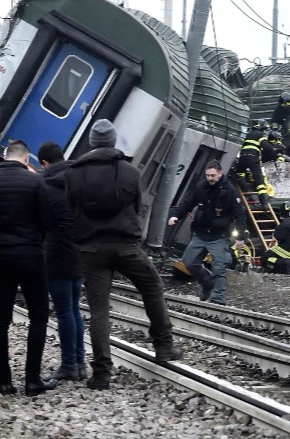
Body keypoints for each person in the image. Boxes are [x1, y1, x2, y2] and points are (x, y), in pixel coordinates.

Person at [68, 120, 182, 391]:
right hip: (126, 246)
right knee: (152, 288)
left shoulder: (73, 174)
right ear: (113, 141)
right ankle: (164, 347)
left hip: (91, 249)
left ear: (93, 142)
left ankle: (101, 375)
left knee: (98, 310)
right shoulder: (130, 172)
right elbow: (136, 206)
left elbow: (71, 209)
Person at [0, 139, 56, 396]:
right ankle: (32, 380)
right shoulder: (36, 182)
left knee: (1, 318)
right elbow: (48, 220)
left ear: (5, 156)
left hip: (0, 255)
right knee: (38, 316)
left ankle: (4, 381)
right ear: (26, 158)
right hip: (31, 254)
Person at [37, 141, 86, 382]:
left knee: (64, 310)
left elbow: (41, 222)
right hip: (79, 249)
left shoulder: (46, 186)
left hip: (56, 251)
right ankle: (80, 364)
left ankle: (69, 364)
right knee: (74, 309)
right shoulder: (79, 179)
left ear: (44, 163)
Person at [169, 159, 247, 306]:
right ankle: (207, 281)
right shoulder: (201, 187)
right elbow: (188, 202)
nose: (210, 178)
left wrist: (240, 237)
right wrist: (176, 216)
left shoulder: (230, 191)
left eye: (213, 175)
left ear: (220, 173)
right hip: (200, 233)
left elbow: (240, 215)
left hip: (219, 236)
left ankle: (218, 299)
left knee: (219, 266)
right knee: (189, 262)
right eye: (208, 175)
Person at [236, 119, 276, 210]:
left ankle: (247, 192)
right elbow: (266, 147)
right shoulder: (260, 135)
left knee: (240, 174)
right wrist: (275, 152)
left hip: (242, 158)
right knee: (259, 180)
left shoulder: (247, 135)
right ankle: (264, 204)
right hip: (253, 158)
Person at [261, 203, 290, 274]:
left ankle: (287, 263)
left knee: (265, 257)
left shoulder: (287, 221)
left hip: (287, 249)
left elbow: (278, 236)